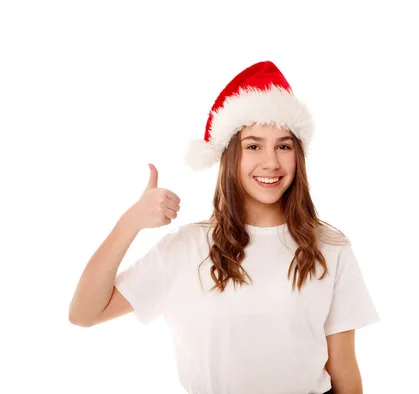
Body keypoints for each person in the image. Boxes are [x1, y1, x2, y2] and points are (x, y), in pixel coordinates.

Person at [68, 61, 380, 394]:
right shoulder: (186, 248)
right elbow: (85, 313)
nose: (271, 162)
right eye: (254, 145)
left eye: (284, 146)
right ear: (231, 155)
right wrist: (130, 222)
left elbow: (344, 371)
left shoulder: (330, 247)